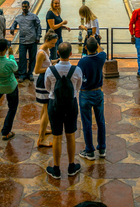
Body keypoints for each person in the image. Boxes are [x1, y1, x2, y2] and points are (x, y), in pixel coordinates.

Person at [44, 42, 83, 179]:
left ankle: (56, 168)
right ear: (71, 54)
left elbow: (48, 87)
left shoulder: (50, 70)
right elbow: (78, 87)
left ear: (58, 53)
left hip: (54, 104)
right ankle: (71, 166)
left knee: (56, 136)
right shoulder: (77, 70)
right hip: (71, 104)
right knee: (71, 134)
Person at [77, 37, 107, 161]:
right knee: (100, 121)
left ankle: (89, 151)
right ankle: (102, 148)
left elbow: (78, 77)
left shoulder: (82, 62)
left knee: (87, 123)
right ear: (96, 46)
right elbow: (102, 50)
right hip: (98, 92)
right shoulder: (101, 58)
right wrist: (97, 42)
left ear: (85, 48)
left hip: (85, 94)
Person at [35, 31, 59, 148]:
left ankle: (42, 130)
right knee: (47, 109)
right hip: (42, 81)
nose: (53, 45)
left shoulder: (46, 50)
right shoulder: (41, 53)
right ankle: (41, 139)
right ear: (47, 40)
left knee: (45, 109)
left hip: (46, 80)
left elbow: (47, 64)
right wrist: (51, 67)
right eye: (52, 43)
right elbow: (37, 70)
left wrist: (55, 61)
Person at [10, 1, 43, 82]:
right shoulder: (18, 17)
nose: (24, 8)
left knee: (32, 58)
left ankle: (30, 73)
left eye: (26, 7)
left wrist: (38, 36)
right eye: (23, 7)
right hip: (22, 41)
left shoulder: (33, 16)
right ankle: (22, 74)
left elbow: (39, 27)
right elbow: (14, 23)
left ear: (29, 7)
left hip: (32, 40)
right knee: (22, 58)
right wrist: (12, 28)